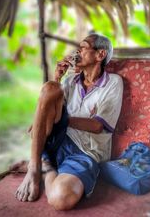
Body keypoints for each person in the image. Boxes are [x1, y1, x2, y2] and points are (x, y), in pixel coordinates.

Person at [13, 33, 123, 210]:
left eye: (83, 47)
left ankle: (46, 167)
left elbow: (97, 126)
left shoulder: (113, 83)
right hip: (59, 140)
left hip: (85, 152)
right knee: (51, 87)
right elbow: (50, 109)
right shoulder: (71, 80)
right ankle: (34, 167)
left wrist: (60, 120)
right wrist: (57, 78)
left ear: (100, 55)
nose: (77, 52)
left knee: (60, 198)